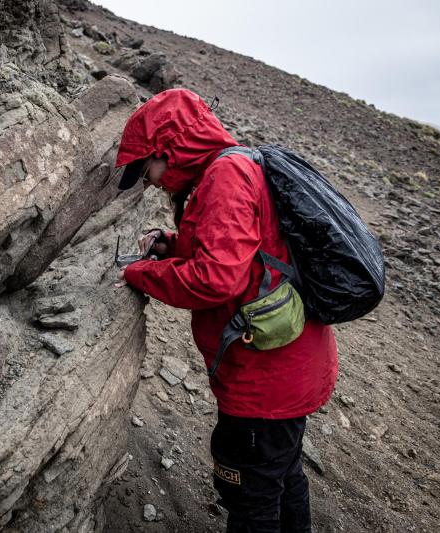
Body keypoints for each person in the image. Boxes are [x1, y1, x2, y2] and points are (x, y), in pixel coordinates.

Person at [113, 88, 338, 533]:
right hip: (289, 366)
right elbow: (245, 254)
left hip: (266, 381)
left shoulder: (224, 178)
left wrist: (140, 273)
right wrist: (171, 246)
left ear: (168, 149)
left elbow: (215, 279)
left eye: (147, 169)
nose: (150, 181)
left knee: (249, 493)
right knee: (280, 474)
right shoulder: (233, 166)